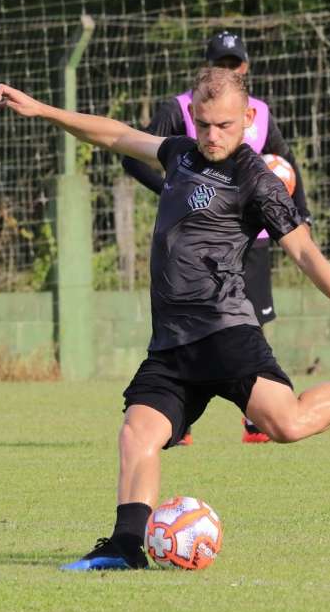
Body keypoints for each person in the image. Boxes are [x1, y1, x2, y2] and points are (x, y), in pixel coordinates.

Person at [0, 68, 330, 573]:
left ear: (247, 119)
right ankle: (124, 547)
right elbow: (114, 134)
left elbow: (305, 252)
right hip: (172, 344)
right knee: (138, 432)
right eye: (202, 124)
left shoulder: (256, 181)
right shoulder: (179, 154)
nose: (211, 136)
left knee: (286, 423)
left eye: (222, 125)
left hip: (225, 331)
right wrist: (43, 110)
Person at [122, 31, 310, 445]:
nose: (226, 70)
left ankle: (254, 414)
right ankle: (179, 414)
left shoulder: (260, 113)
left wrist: (302, 213)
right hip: (194, 241)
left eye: (233, 64)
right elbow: (130, 151)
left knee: (247, 320)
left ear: (244, 70)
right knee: (191, 317)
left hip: (253, 237)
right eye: (218, 64)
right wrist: (181, 194)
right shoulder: (180, 110)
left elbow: (286, 165)